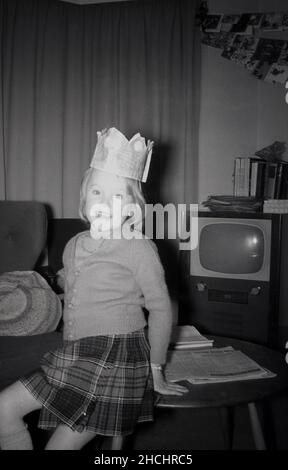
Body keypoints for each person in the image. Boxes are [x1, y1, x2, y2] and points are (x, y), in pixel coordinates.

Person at [0, 128, 187, 450]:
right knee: (3, 410)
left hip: (114, 358)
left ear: (132, 206)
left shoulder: (138, 247)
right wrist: (34, 289)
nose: (104, 202)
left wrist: (156, 367)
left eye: (117, 196)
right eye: (96, 192)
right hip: (74, 354)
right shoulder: (75, 244)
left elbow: (159, 307)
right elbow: (70, 280)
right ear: (84, 197)